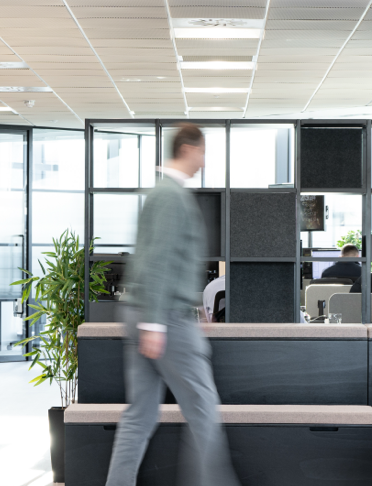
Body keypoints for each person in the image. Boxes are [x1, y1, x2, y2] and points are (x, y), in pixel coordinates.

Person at [107, 124, 240, 486]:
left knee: (141, 415)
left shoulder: (162, 192)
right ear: (188, 148)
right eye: (202, 151)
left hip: (149, 314)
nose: (203, 159)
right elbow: (158, 259)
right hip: (162, 318)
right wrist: (155, 323)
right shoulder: (170, 195)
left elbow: (161, 259)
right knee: (202, 410)